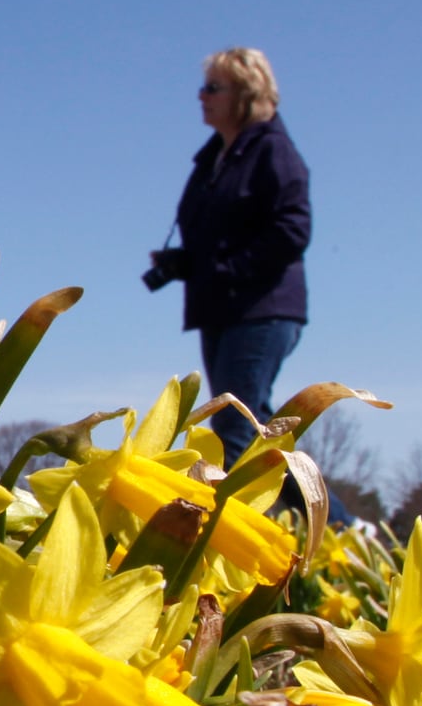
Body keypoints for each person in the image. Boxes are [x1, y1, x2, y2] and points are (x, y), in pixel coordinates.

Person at [149, 47, 351, 524]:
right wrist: (183, 263)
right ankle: (342, 526)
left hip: (263, 308)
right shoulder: (214, 158)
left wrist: (227, 269)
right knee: (260, 426)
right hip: (220, 307)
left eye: (213, 87)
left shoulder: (274, 152)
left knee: (235, 425)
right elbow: (216, 236)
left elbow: (293, 231)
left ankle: (220, 535)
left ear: (247, 94)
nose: (201, 96)